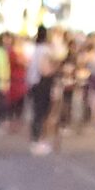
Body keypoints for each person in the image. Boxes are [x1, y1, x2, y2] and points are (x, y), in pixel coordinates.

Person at [27, 24, 57, 155]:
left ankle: (35, 140)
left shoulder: (35, 49)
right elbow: (44, 69)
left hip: (33, 83)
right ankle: (39, 140)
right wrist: (55, 68)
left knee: (36, 112)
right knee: (42, 112)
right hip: (42, 83)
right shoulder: (45, 50)